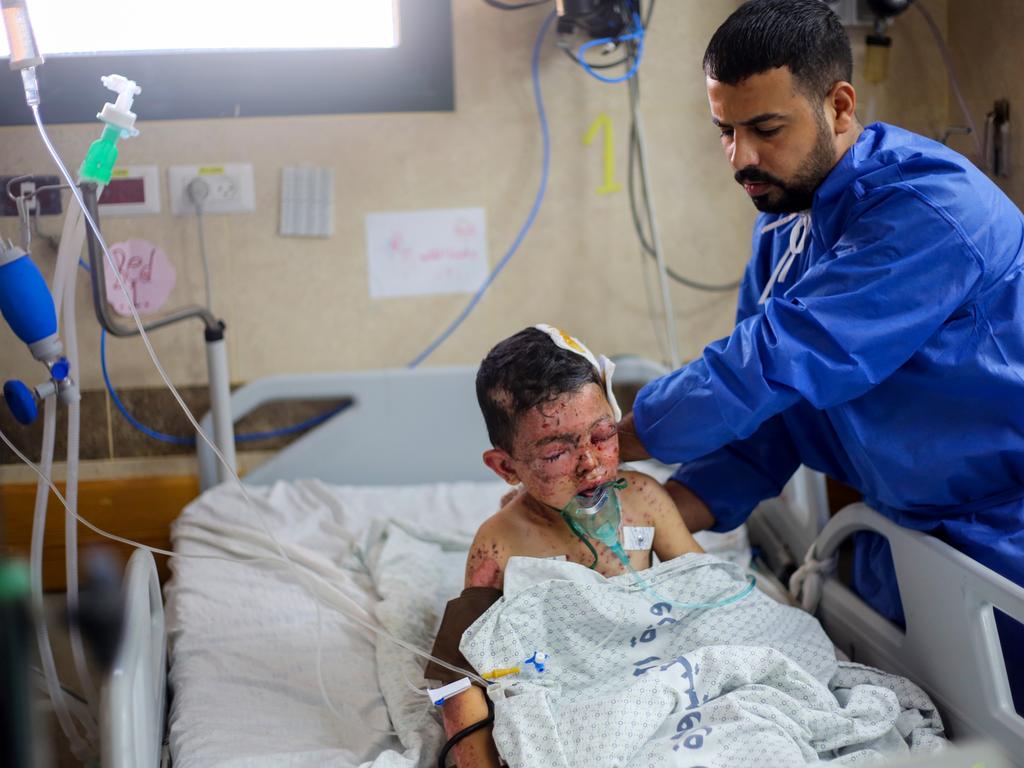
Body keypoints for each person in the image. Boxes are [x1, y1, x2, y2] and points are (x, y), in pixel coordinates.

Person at [616, 0, 1024, 710]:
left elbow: (778, 359)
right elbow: (770, 424)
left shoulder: (927, 210)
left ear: (838, 106)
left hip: (1004, 540)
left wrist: (610, 437)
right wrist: (642, 516)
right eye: (726, 131)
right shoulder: (785, 235)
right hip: (902, 546)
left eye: (766, 129)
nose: (741, 157)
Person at [427, 325, 704, 768]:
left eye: (602, 435)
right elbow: (457, 678)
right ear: (506, 467)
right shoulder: (500, 544)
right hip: (570, 703)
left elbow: (708, 595)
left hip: (658, 680)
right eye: (557, 454)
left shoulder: (645, 500)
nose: (590, 465)